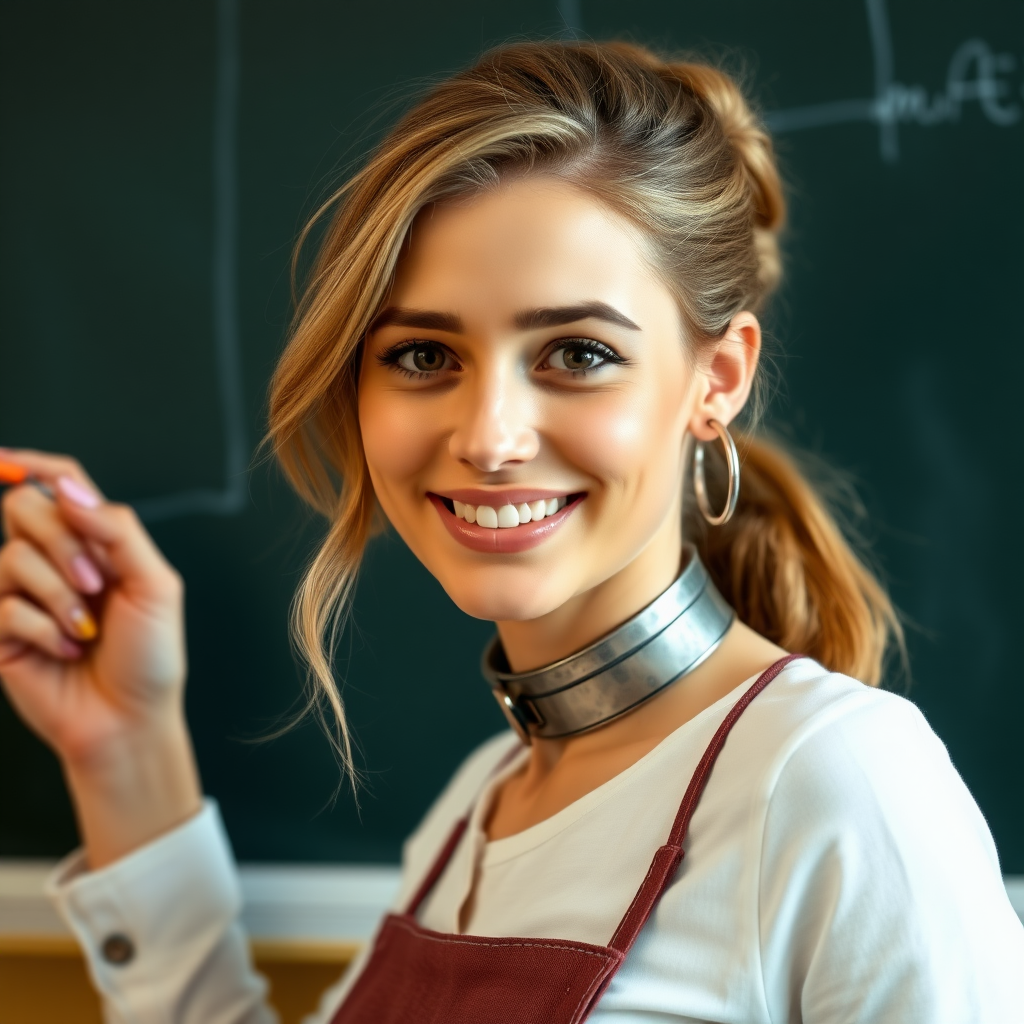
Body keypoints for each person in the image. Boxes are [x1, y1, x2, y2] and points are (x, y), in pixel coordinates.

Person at [0, 40, 1021, 1024]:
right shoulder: (473, 812)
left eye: (576, 352)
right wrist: (122, 746)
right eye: (422, 356)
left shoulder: (840, 779)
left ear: (716, 379)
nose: (488, 438)